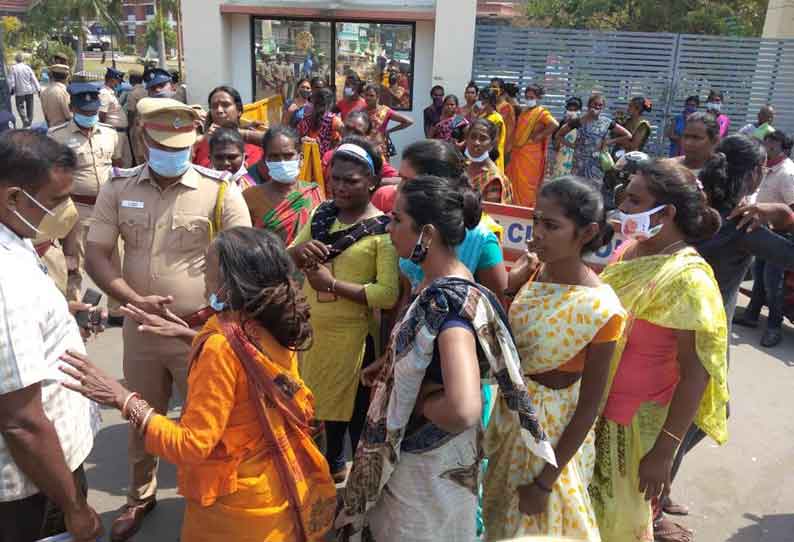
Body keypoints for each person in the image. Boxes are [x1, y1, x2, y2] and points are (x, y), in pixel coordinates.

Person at [62, 226, 337, 542]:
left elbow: (191, 445)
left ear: (227, 283)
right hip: (278, 494)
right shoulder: (274, 319)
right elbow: (248, 366)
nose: (203, 277)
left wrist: (123, 399)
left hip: (235, 515)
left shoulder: (221, 345)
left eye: (207, 268)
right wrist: (187, 335)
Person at [334, 175, 555, 542]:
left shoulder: (447, 304)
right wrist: (392, 367)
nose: (389, 229)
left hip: (424, 477)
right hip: (432, 471)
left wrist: (414, 400)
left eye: (397, 220)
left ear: (427, 234)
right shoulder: (441, 285)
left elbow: (463, 409)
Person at [84, 97, 252, 540]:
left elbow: (244, 262)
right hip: (140, 327)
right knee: (141, 411)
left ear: (194, 140)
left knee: (211, 419)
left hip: (201, 331)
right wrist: (130, 299)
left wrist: (211, 314)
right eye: (164, 145)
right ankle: (140, 495)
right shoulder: (118, 189)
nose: (173, 154)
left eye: (182, 145)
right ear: (143, 138)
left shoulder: (219, 190)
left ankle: (211, 495)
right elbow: (97, 253)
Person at [590, 159, 728, 542]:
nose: (624, 209)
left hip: (635, 430)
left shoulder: (689, 280)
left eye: (634, 201)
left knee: (620, 527)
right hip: (594, 414)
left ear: (666, 213)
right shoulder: (630, 251)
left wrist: (665, 452)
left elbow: (696, 374)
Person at [483, 176, 626, 541]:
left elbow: (589, 407)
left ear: (586, 232)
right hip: (509, 423)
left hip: (551, 442)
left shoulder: (600, 309)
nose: (537, 234)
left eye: (551, 226)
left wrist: (546, 482)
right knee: (500, 524)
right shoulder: (534, 273)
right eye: (535, 221)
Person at [664, 134, 794, 529]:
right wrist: (779, 213)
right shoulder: (742, 225)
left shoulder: (698, 209)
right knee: (705, 414)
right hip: (707, 335)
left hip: (672, 322)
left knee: (680, 412)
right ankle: (653, 491)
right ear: (755, 174)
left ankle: (657, 485)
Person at [0, 130, 103, 542]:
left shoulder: (18, 239)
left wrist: (60, 315)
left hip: (47, 474)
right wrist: (73, 507)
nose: (67, 211)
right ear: (12, 199)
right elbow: (21, 421)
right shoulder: (5, 281)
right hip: (34, 491)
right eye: (56, 200)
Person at [288, 136, 399, 484]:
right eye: (335, 178)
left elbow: (387, 294)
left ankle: (348, 492)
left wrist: (332, 285)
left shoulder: (383, 230)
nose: (340, 186)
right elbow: (291, 251)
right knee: (314, 411)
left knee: (348, 416)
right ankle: (325, 478)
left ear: (372, 182)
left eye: (350, 180)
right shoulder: (322, 216)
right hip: (313, 336)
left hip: (352, 342)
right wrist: (300, 252)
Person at [395, 139, 509, 301]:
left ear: (437, 184)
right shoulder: (410, 224)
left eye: (407, 181)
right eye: (400, 179)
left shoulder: (480, 239)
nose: (399, 188)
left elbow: (498, 302)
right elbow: (406, 294)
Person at [48, 83, 124, 322]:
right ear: (72, 108)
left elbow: (118, 166)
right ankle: (75, 309)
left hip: (109, 209)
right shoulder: (56, 136)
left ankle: (117, 310)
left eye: (93, 112)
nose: (89, 116)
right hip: (76, 209)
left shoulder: (110, 134)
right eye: (84, 111)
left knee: (116, 261)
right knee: (74, 263)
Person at [734, 130, 794, 347]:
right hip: (762, 227)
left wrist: (775, 217)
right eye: (767, 142)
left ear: (783, 149)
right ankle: (751, 315)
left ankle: (774, 327)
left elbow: (792, 208)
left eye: (773, 144)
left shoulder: (787, 173)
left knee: (773, 283)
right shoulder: (767, 169)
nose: (767, 146)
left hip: (779, 232)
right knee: (759, 276)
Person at [243, 126, 324, 244]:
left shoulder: (314, 192)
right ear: (266, 160)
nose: (282, 162)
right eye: (274, 156)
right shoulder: (249, 197)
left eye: (288, 155)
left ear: (300, 158)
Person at [558, 93, 632, 182]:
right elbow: (559, 135)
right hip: (579, 163)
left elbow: (628, 135)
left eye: (600, 105)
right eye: (595, 104)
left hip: (596, 164)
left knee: (594, 190)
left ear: (603, 107)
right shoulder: (579, 121)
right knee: (578, 189)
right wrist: (572, 146)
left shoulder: (607, 122)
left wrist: (609, 142)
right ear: (589, 105)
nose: (597, 107)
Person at [507, 83, 559, 207]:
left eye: (531, 97)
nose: (529, 99)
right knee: (514, 183)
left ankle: (525, 210)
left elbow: (554, 124)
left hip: (531, 156)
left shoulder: (541, 112)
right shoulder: (525, 111)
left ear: (538, 97)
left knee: (527, 186)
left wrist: (539, 136)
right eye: (527, 97)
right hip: (518, 153)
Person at [192, 86, 265, 169]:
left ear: (239, 111)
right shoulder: (201, 143)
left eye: (225, 105)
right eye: (214, 106)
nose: (219, 110)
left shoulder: (253, 145)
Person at [129, 68, 177, 166]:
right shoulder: (144, 116)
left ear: (172, 86)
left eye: (161, 85)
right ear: (148, 92)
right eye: (153, 88)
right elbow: (141, 152)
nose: (157, 90)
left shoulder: (183, 112)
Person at [466, 118, 513, 204]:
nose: (476, 142)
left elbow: (490, 213)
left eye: (483, 139)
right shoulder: (463, 166)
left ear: (492, 144)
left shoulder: (493, 179)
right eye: (473, 137)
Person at [363, 83, 413, 158]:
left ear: (377, 97)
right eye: (366, 95)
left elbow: (409, 121)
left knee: (383, 169)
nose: (368, 98)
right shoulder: (361, 111)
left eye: (371, 95)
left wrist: (389, 131)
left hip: (380, 149)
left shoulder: (385, 110)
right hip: (364, 147)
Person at [99, 67, 133, 167]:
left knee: (127, 161)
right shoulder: (104, 93)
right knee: (117, 162)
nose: (119, 84)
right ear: (112, 80)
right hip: (114, 132)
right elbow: (102, 115)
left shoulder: (111, 93)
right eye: (118, 81)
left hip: (121, 132)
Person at [297, 87, 343, 155]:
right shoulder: (334, 120)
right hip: (321, 162)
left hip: (313, 161)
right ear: (330, 104)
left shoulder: (305, 120)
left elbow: (297, 142)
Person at [673, 112, 720, 177]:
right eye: (686, 136)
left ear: (714, 141)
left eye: (696, 137)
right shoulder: (669, 170)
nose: (688, 143)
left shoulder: (724, 175)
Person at [9, 53, 41, 127]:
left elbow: (12, 81)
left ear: (16, 60)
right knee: (30, 107)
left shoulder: (13, 68)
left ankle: (25, 119)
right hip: (29, 91)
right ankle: (28, 123)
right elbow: (34, 79)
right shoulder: (27, 67)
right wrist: (38, 89)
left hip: (19, 91)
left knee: (20, 107)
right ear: (23, 59)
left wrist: (12, 89)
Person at [491, 78, 517, 160]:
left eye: (494, 87)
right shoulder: (488, 106)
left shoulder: (508, 108)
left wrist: (505, 150)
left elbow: (510, 131)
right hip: (487, 146)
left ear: (501, 90)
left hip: (501, 148)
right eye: (490, 87)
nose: (492, 89)